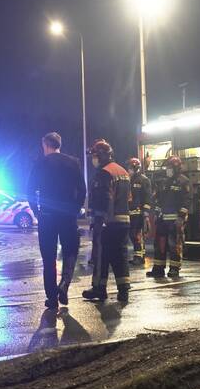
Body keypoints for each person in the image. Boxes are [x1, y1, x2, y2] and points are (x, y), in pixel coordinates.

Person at [26, 132, 85, 310]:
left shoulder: (40, 163)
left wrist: (37, 212)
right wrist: (74, 209)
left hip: (47, 218)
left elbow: (29, 190)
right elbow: (82, 189)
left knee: (49, 258)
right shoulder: (73, 162)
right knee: (70, 252)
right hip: (67, 216)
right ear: (59, 144)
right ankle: (64, 284)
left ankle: (52, 299)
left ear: (45, 145)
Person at [83, 140, 132, 303]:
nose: (93, 160)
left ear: (102, 156)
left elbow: (105, 198)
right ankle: (123, 290)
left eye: (95, 156)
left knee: (101, 255)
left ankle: (99, 288)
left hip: (107, 222)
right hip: (124, 221)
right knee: (121, 255)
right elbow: (128, 198)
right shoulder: (123, 172)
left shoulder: (104, 173)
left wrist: (100, 220)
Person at [149, 154, 191, 278]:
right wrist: (156, 213)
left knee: (175, 245)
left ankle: (174, 268)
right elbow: (157, 199)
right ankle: (158, 268)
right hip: (162, 219)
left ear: (176, 168)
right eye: (167, 168)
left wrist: (181, 217)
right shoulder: (163, 182)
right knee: (159, 244)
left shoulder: (184, 181)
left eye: (169, 168)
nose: (167, 170)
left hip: (175, 220)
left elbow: (187, 200)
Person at [126, 157, 152, 266]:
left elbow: (147, 197)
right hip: (130, 212)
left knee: (137, 234)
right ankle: (138, 255)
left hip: (139, 212)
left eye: (130, 168)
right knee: (132, 234)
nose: (129, 170)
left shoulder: (144, 180)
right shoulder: (128, 179)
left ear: (136, 168)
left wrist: (146, 211)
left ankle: (139, 256)